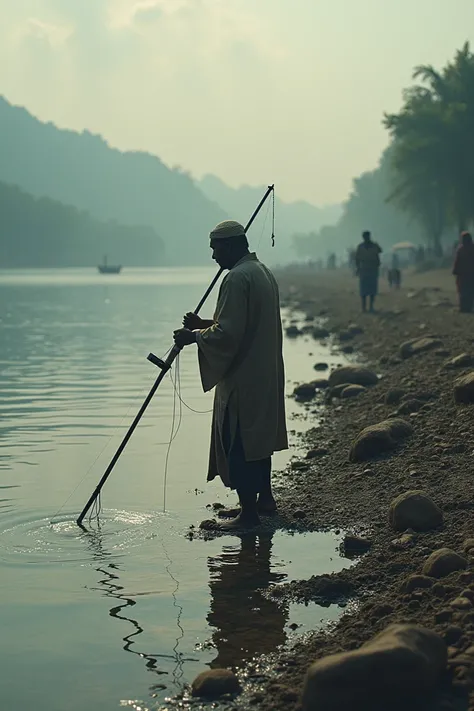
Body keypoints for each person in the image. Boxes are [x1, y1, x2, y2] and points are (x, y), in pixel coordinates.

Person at [173, 220, 288, 531]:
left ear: (232, 244)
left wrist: (193, 338)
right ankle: (265, 499)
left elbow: (227, 334)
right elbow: (240, 322)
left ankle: (248, 515)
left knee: (240, 442)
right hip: (265, 371)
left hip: (244, 377)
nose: (213, 256)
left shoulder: (236, 279)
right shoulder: (261, 271)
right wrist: (202, 324)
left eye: (216, 248)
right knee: (259, 439)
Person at [355, 230, 382, 312]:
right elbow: (357, 258)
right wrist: (358, 268)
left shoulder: (374, 246)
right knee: (364, 289)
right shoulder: (360, 247)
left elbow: (380, 251)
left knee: (372, 289)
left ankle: (370, 306)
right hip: (364, 269)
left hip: (372, 269)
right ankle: (364, 307)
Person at [453, 231, 474, 313]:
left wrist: (455, 271)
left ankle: (464, 307)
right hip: (471, 274)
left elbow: (457, 262)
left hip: (463, 275)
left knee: (463, 291)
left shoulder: (461, 250)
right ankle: (469, 306)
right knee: (470, 291)